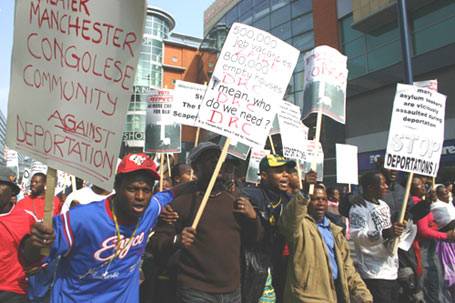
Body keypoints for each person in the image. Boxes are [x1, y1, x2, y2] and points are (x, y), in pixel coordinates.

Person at [20, 153, 175, 303]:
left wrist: (197, 183)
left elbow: (172, 194)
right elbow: (31, 259)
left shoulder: (150, 209)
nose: (140, 196)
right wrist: (35, 242)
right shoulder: (81, 218)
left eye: (146, 190)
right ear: (117, 186)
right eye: (132, 189)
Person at [151, 142, 263, 303]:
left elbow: (255, 239)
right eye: (211, 160)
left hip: (233, 291)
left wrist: (253, 218)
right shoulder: (181, 203)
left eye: (220, 160)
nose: (217, 164)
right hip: (196, 291)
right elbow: (157, 243)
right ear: (196, 168)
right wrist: (176, 240)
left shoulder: (237, 202)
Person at [278, 185, 372, 302]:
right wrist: (303, 194)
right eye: (315, 199)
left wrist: (363, 294)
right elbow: (289, 220)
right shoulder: (300, 226)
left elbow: (348, 268)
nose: (320, 203)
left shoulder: (335, 232)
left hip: (334, 294)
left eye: (324, 199)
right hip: (307, 297)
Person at [241, 154, 295, 303]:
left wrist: (299, 192)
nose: (285, 174)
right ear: (264, 175)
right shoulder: (253, 195)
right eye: (278, 171)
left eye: (286, 170)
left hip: (281, 266)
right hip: (256, 268)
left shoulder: (289, 200)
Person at [349, 171, 405, 303]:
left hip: (391, 269)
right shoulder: (358, 208)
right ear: (371, 187)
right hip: (374, 273)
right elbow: (359, 236)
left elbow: (389, 230)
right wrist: (384, 234)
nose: (386, 186)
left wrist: (397, 231)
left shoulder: (384, 205)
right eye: (383, 184)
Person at [413, 177, 454, 303]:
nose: (425, 187)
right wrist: (446, 236)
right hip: (424, 250)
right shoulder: (416, 203)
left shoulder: (424, 202)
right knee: (434, 287)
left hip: (432, 247)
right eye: (421, 185)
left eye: (426, 184)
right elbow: (423, 230)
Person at [0, 167, 28, 303]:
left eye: (0, 184)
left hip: (12, 291)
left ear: (12, 191)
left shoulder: (26, 219)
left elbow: (39, 257)